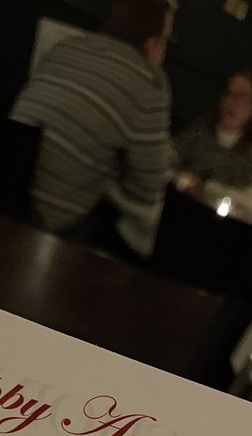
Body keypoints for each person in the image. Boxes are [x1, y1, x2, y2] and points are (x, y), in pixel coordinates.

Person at [11, 0, 173, 259]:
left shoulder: (68, 46)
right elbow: (146, 189)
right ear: (152, 44)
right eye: (167, 41)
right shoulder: (149, 84)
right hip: (46, 227)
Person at [172, 72, 252, 226]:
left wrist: (208, 190)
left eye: (241, 97)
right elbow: (168, 158)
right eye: (229, 93)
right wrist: (183, 180)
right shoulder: (202, 129)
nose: (232, 102)